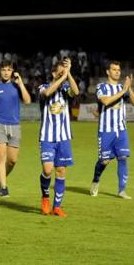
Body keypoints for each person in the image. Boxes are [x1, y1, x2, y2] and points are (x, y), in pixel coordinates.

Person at [90, 61, 134, 199]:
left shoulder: (123, 88)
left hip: (121, 130)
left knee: (123, 158)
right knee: (104, 161)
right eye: (114, 69)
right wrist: (123, 91)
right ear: (108, 72)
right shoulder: (101, 87)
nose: (117, 71)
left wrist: (129, 88)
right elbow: (105, 101)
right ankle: (96, 180)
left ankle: (121, 190)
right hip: (106, 131)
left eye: (119, 69)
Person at [38, 58, 79, 217]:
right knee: (47, 170)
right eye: (60, 72)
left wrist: (68, 75)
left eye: (64, 72)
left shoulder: (66, 89)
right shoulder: (43, 87)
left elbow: (76, 92)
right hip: (47, 137)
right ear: (53, 73)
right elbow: (48, 93)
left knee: (61, 171)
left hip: (63, 137)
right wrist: (63, 76)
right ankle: (45, 197)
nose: (63, 75)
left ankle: (57, 207)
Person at [0, 61, 31, 197]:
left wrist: (21, 83)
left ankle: (0, 177)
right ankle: (3, 187)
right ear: (0, 71)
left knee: (12, 160)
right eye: (3, 70)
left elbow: (27, 101)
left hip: (14, 125)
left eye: (8, 70)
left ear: (12, 71)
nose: (6, 72)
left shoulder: (16, 86)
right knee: (1, 155)